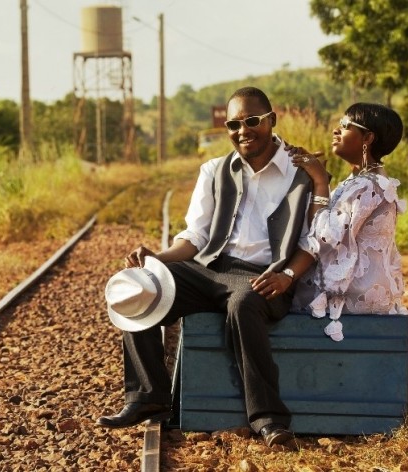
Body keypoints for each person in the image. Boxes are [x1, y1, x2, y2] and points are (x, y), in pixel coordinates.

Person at [96, 86, 314, 447]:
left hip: (264, 276)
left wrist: (287, 276)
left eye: (252, 121)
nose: (242, 130)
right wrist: (156, 259)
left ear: (272, 120)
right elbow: (195, 237)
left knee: (243, 302)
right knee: (140, 284)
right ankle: (148, 397)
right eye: (233, 124)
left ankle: (268, 419)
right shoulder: (214, 170)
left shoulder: (301, 171)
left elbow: (313, 239)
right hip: (212, 270)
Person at [289, 103, 408, 341]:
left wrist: (321, 182)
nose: (336, 130)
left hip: (352, 297)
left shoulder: (368, 185)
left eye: (345, 126)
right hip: (364, 290)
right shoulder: (362, 180)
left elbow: (325, 237)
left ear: (367, 138)